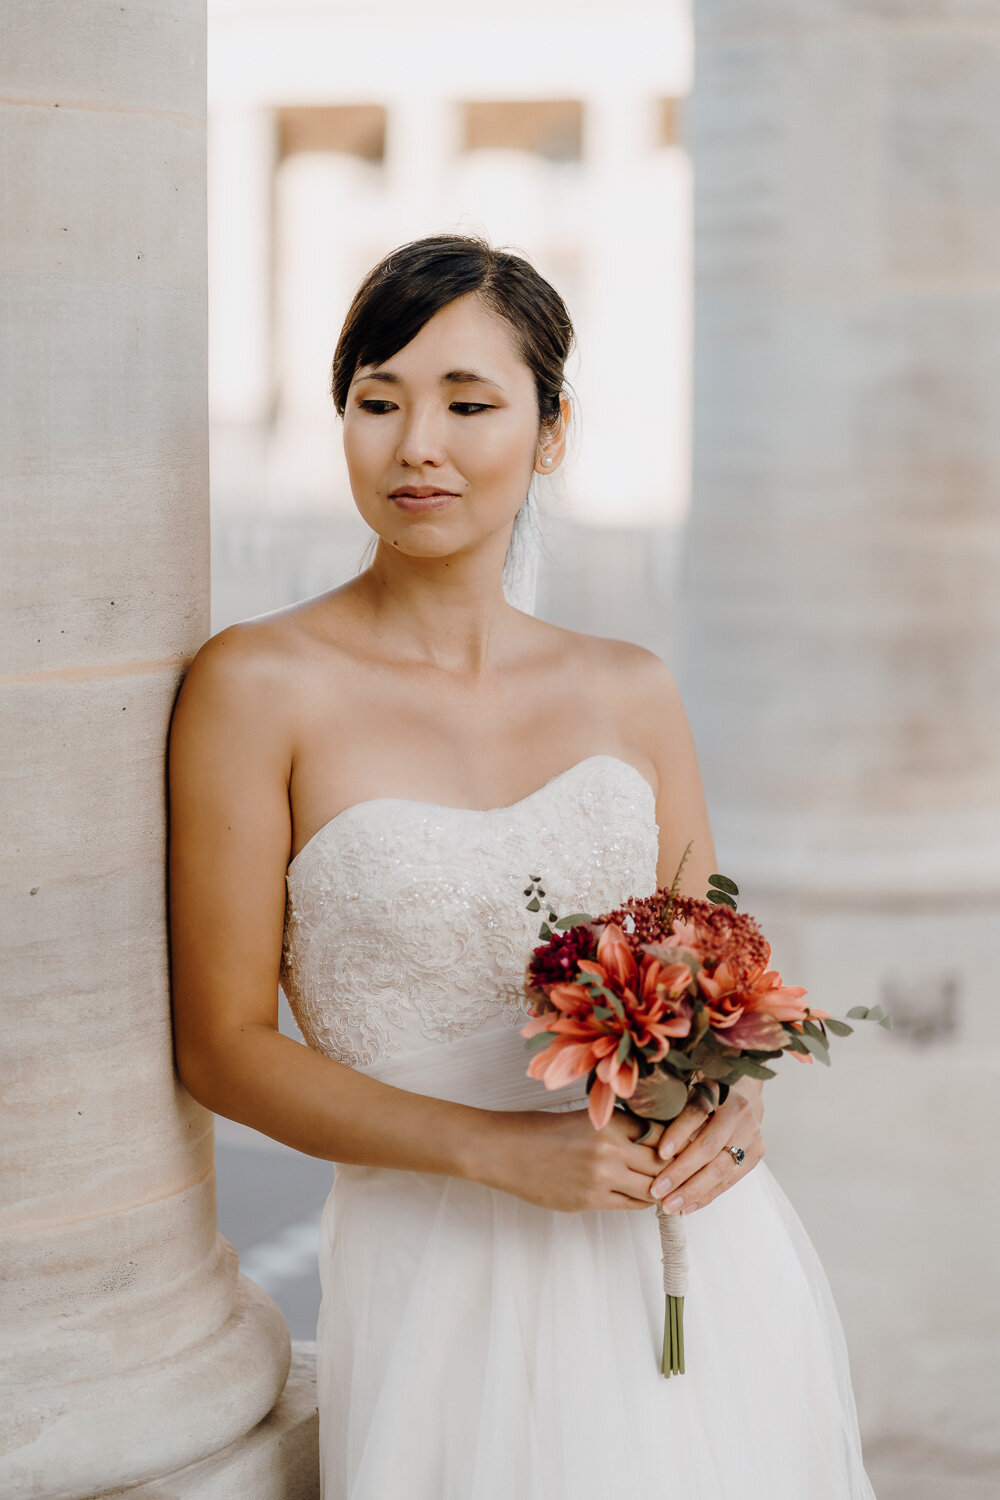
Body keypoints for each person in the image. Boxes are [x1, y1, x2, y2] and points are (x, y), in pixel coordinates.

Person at [168, 233, 876, 1499]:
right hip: (443, 1271)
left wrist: (734, 1106)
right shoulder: (255, 685)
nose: (415, 445)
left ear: (551, 430)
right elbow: (220, 1045)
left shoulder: (630, 689)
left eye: (467, 403)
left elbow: (721, 981)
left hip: (687, 1258)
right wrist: (499, 1150)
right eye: (376, 402)